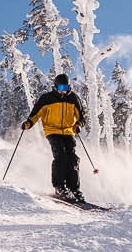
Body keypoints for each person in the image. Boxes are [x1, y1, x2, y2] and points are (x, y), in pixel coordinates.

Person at [21, 73, 87, 203]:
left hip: (68, 132)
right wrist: (28, 124)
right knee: (60, 154)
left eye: (67, 87)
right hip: (52, 131)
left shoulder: (73, 98)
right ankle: (59, 187)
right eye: (61, 87)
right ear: (55, 86)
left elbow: (81, 117)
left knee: (72, 158)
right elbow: (35, 114)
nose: (64, 90)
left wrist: (78, 125)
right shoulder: (47, 98)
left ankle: (74, 189)